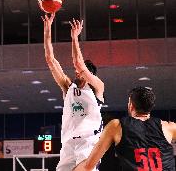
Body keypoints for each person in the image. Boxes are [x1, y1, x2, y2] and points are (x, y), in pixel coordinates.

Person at [42, 13, 104, 171]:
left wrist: (75, 37)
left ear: (89, 75)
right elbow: (50, 59)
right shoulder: (68, 87)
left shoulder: (97, 87)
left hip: (89, 144)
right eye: (77, 72)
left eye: (80, 72)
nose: (77, 73)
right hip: (68, 144)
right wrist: (48, 29)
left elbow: (78, 63)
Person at [74, 86, 176, 171]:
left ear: (131, 105)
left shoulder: (116, 126)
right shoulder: (169, 127)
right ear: (151, 106)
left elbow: (88, 166)